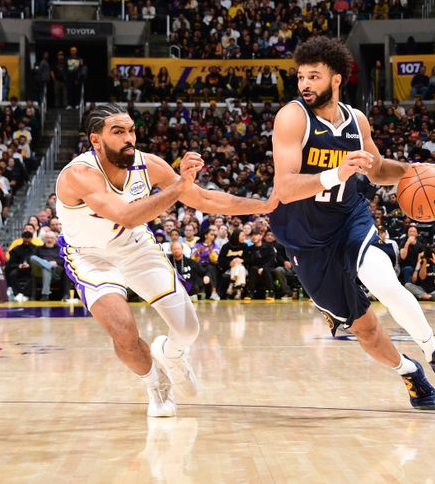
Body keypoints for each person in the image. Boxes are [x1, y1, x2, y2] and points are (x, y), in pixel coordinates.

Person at [270, 36, 435, 411]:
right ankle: (410, 371)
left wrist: (415, 171)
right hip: (306, 238)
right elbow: (284, 188)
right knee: (365, 329)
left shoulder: (356, 120)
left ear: (336, 79)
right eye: (300, 77)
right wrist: (336, 173)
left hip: (349, 218)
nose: (304, 85)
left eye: (313, 77)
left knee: (385, 281)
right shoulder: (292, 118)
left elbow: (378, 169)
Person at [55, 104, 277, 417]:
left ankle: (169, 353)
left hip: (134, 247)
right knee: (124, 332)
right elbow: (127, 216)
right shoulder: (80, 174)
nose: (129, 137)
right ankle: (155, 381)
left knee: (188, 330)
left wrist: (264, 205)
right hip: (90, 257)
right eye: (118, 132)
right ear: (96, 141)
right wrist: (178, 186)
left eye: (131, 130)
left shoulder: (149, 164)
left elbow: (204, 199)